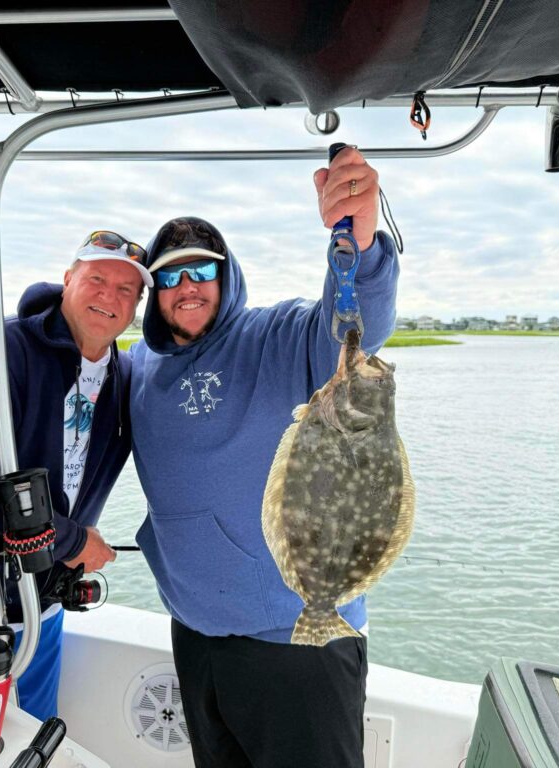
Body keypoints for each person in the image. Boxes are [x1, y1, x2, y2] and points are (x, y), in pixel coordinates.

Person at [130, 148, 399, 768]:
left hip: (301, 639)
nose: (187, 287)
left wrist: (359, 244)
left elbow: (356, 323)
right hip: (196, 637)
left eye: (202, 271)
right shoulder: (140, 369)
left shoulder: (279, 337)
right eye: (169, 276)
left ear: (227, 279)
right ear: (154, 293)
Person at [0, 231, 152, 721]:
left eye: (126, 290)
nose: (109, 296)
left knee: (32, 732)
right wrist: (76, 540)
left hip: (41, 598)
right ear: (67, 281)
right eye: (97, 278)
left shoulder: (125, 375)